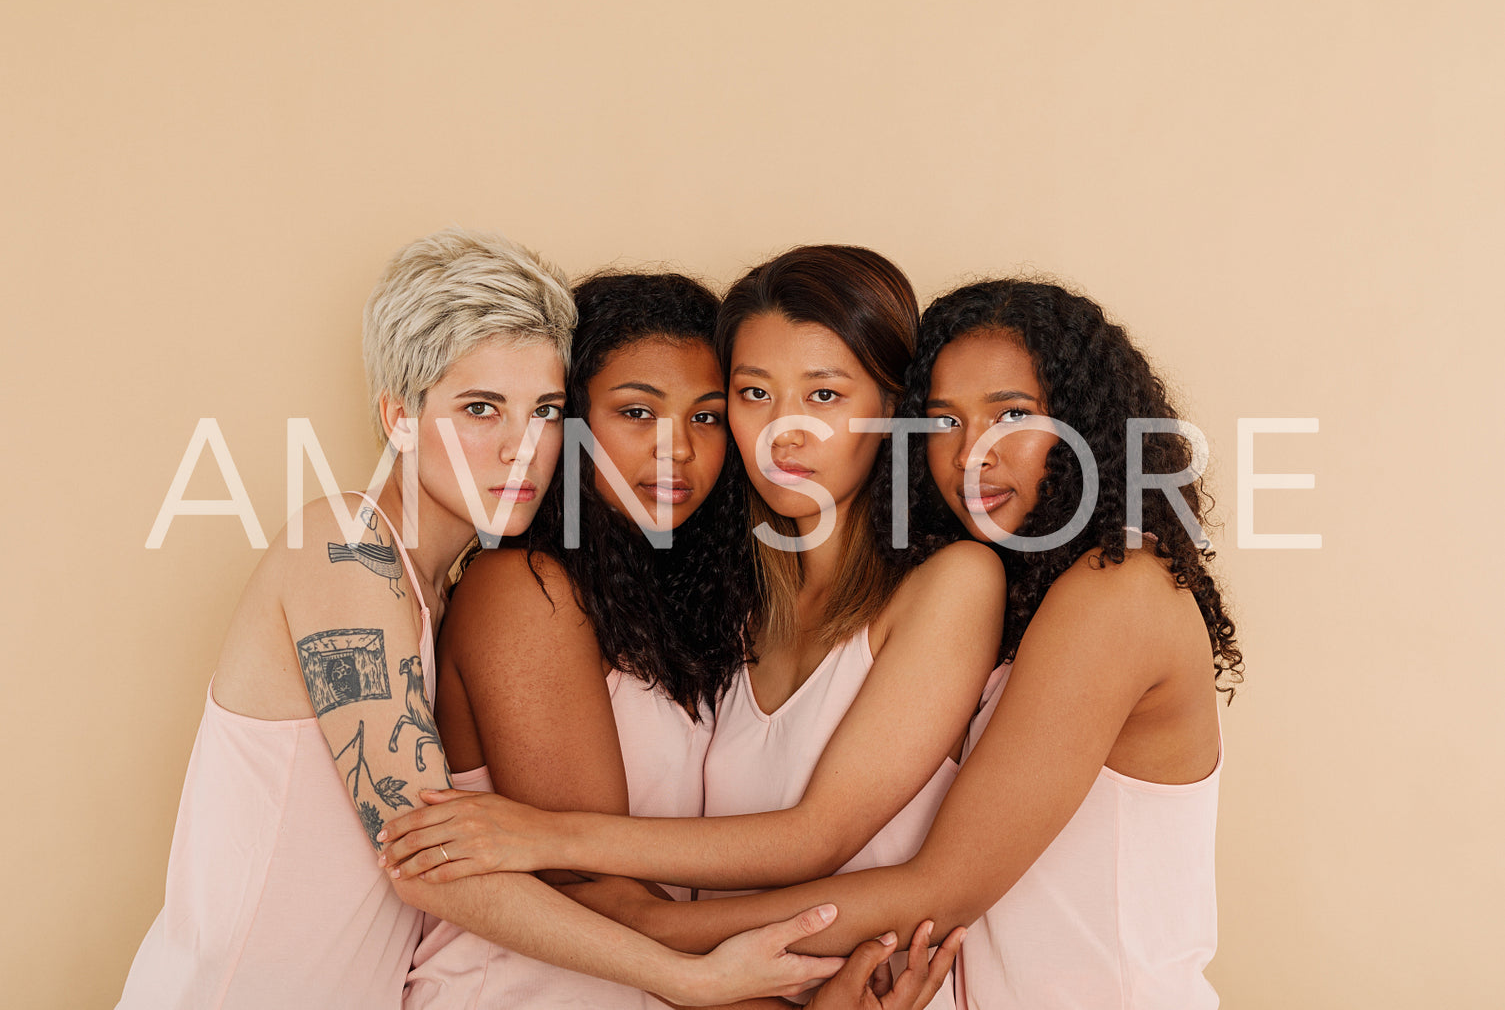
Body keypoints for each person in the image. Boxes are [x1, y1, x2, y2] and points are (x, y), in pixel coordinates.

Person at [381, 277, 1242, 1009]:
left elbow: (929, 883)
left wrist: (633, 910)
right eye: (944, 422)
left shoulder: (1114, 590)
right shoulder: (735, 604)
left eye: (1012, 414)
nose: (972, 453)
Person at [117, 230, 848, 1010]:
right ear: (398, 416)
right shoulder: (344, 547)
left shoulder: (433, 590)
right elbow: (429, 862)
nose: (519, 449)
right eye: (479, 409)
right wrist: (690, 979)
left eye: (544, 412)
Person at [383, 246, 1004, 1008]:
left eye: (704, 415)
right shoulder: (524, 587)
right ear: (570, 421)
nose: (676, 446)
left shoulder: (711, 606)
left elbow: (778, 856)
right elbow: (609, 899)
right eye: (635, 411)